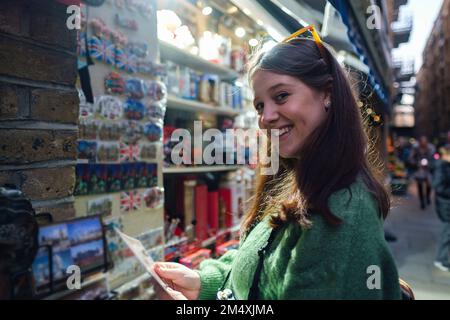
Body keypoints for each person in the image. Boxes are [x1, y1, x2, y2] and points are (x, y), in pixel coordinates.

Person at [153, 26, 402, 300]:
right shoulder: (300, 179)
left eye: (281, 96)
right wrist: (204, 283)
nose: (265, 117)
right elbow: (261, 263)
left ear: (327, 93)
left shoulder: (342, 210)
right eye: (259, 105)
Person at [432, 145, 450, 271]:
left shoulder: (444, 166)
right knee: (446, 232)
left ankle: (442, 258)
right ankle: (441, 259)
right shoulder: (441, 166)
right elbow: (438, 186)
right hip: (445, 205)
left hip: (445, 203)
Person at [408, 136, 436, 209]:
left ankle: (427, 197)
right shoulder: (416, 148)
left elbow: (434, 157)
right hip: (419, 169)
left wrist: (432, 163)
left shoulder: (431, 148)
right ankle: (422, 201)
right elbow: (411, 157)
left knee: (429, 184)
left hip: (428, 169)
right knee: (420, 185)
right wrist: (415, 163)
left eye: (425, 141)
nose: (423, 143)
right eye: (422, 141)